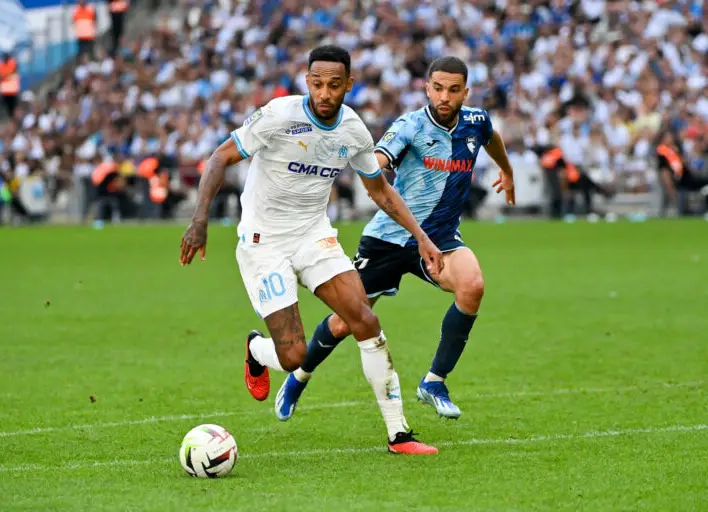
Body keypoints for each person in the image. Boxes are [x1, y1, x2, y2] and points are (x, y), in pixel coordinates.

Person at [180, 45, 443, 455]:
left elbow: (379, 191)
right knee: (292, 356)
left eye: (334, 85)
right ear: (307, 81)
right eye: (317, 83)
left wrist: (421, 237)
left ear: (348, 85)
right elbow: (219, 158)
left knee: (365, 319)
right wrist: (199, 220)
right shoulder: (279, 115)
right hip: (264, 243)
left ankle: (399, 434)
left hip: (313, 237)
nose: (324, 93)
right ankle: (257, 349)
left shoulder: (353, 130)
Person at [274, 56, 516, 422]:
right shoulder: (410, 126)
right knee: (344, 322)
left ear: (465, 93)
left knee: (473, 286)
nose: (444, 97)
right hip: (388, 239)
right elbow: (377, 160)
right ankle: (298, 377)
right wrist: (375, 164)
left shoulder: (476, 122)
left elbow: (491, 137)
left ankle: (434, 382)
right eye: (438, 88)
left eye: (453, 90)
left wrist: (506, 169)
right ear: (427, 88)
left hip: (439, 239)